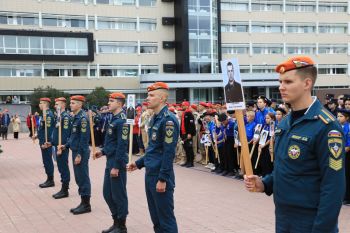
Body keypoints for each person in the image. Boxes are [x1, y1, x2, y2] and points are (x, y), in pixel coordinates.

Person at [244, 56, 345, 233]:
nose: (281, 87)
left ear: (307, 83)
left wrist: (322, 229)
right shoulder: (285, 123)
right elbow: (286, 168)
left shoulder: (326, 126)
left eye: (288, 82)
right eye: (280, 82)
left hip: (311, 221)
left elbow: (333, 186)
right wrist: (264, 183)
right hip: (284, 217)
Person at [127, 82, 179, 233]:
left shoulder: (168, 120)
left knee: (166, 219)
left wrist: (162, 179)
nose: (147, 98)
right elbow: (154, 150)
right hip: (151, 173)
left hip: (160, 175)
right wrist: (138, 164)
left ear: (162, 98)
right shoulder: (154, 118)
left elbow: (168, 153)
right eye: (147, 95)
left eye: (151, 95)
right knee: (156, 218)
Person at [94, 93, 129, 233]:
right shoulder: (114, 119)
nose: (108, 103)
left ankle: (122, 225)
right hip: (110, 160)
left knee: (118, 194)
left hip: (117, 162)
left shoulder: (122, 121)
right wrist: (102, 152)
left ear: (119, 104)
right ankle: (116, 221)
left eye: (111, 101)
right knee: (107, 193)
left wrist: (116, 166)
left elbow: (122, 145)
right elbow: (112, 142)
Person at [58, 95, 92, 215]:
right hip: (75, 150)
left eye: (73, 103)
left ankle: (86, 204)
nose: (70, 105)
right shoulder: (76, 117)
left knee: (82, 177)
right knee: (79, 177)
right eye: (71, 103)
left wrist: (79, 155)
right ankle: (83, 202)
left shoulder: (83, 119)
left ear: (80, 104)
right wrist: (65, 146)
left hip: (80, 152)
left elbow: (84, 139)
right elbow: (73, 136)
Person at [32, 98, 55, 188]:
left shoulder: (48, 115)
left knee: (47, 160)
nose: (39, 105)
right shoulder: (44, 114)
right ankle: (48, 178)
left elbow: (49, 131)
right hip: (42, 141)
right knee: (45, 161)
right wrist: (37, 136)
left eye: (41, 103)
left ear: (45, 104)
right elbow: (42, 128)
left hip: (46, 143)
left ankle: (50, 180)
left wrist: (47, 142)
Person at [52, 97, 72, 199]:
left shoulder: (65, 117)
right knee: (60, 167)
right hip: (57, 145)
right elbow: (56, 132)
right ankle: (63, 188)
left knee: (63, 167)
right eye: (55, 104)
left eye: (57, 104)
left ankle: (65, 190)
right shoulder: (59, 116)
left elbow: (64, 134)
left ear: (63, 105)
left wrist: (61, 147)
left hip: (62, 147)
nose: (55, 106)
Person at [337, 109, 350, 205]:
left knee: (347, 176)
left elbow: (348, 145)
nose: (338, 118)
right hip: (339, 154)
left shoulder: (348, 127)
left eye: (341, 116)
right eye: (337, 116)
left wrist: (340, 152)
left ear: (347, 118)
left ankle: (347, 197)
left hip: (346, 155)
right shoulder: (337, 126)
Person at [180, 101, 196, 168]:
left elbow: (191, 124)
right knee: (185, 148)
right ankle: (187, 161)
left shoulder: (189, 113)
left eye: (183, 105)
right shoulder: (184, 113)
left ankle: (191, 162)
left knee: (189, 148)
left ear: (187, 106)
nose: (182, 106)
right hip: (183, 133)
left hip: (188, 133)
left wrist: (189, 133)